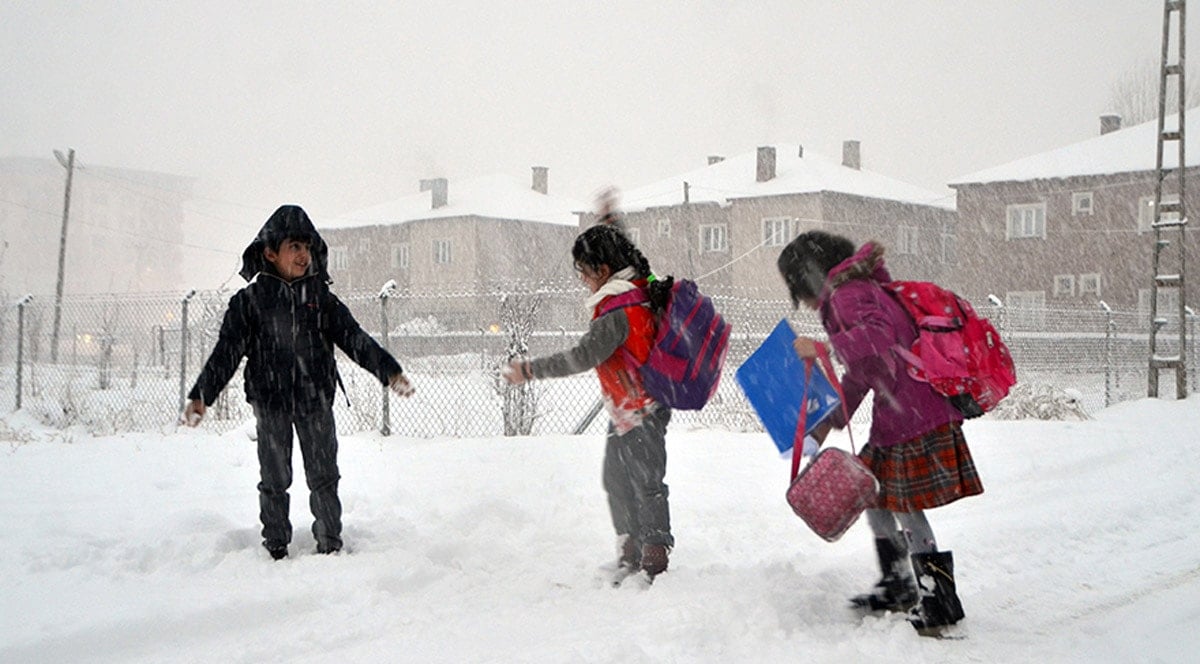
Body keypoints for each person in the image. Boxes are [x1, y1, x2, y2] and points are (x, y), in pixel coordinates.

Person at [777, 231, 983, 635]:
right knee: (874, 494)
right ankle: (899, 583)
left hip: (913, 413)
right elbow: (864, 370)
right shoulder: (854, 291)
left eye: (796, 287)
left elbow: (877, 338)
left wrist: (822, 346)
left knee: (905, 506)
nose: (799, 298)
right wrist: (831, 421)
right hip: (901, 411)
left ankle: (937, 598)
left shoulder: (848, 294)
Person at [182, 205, 414, 560]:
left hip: (315, 400)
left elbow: (355, 339)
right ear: (270, 253)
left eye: (307, 247)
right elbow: (226, 353)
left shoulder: (320, 299)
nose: (304, 255)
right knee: (274, 479)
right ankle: (275, 546)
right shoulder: (249, 303)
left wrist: (389, 371)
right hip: (270, 402)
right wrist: (202, 395)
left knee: (324, 476)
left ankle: (330, 544)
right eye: (294, 247)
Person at [503, 223, 674, 581]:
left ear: (603, 270)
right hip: (632, 408)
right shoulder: (639, 288)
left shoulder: (617, 311)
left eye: (583, 271)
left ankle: (653, 558)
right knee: (618, 480)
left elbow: (582, 356)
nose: (582, 280)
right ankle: (632, 549)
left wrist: (530, 370)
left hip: (641, 408)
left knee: (645, 483)